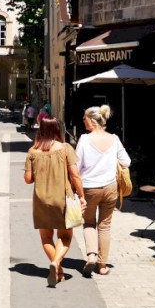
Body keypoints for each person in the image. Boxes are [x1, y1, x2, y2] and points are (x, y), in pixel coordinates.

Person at [24, 114, 85, 287]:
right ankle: (56, 262)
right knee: (65, 236)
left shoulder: (32, 152)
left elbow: (28, 179)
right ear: (57, 130)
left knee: (45, 237)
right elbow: (75, 175)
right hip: (62, 200)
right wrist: (81, 196)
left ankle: (57, 270)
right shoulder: (65, 148)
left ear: (41, 130)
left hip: (40, 200)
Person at [74, 104, 130, 276]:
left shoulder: (84, 139)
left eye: (84, 119)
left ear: (92, 121)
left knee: (89, 222)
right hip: (110, 187)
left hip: (90, 188)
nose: (83, 121)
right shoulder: (114, 139)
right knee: (105, 226)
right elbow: (126, 162)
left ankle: (91, 255)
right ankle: (103, 265)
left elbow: (76, 165)